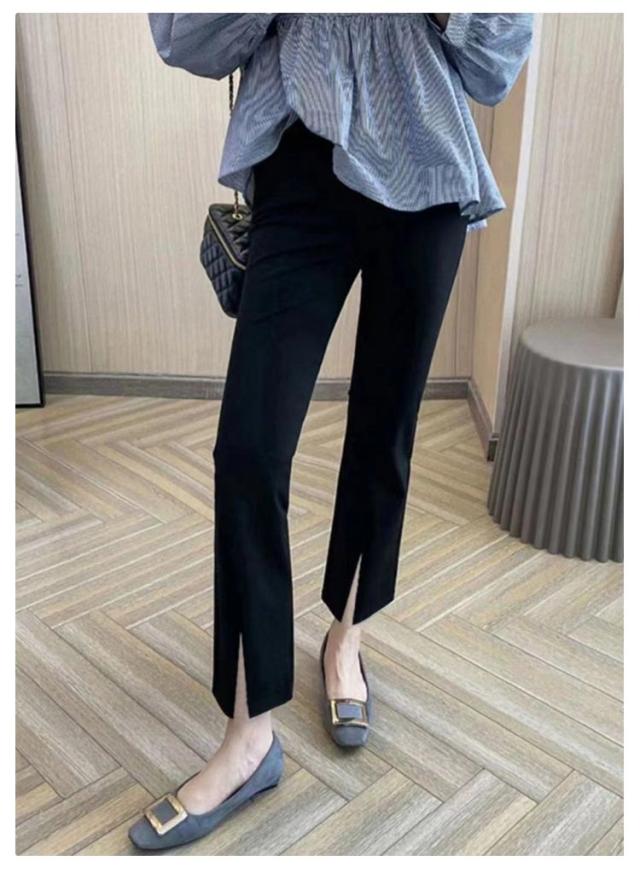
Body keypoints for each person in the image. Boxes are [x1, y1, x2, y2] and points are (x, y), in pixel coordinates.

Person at [129, 12, 534, 850]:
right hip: (301, 164)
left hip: (426, 163)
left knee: (384, 428)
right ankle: (249, 738)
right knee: (249, 450)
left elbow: (498, 59)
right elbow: (182, 37)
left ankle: (345, 640)